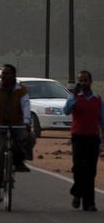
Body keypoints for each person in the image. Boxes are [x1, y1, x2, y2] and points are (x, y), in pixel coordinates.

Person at [0, 64, 32, 203]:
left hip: (17, 125)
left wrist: (27, 121)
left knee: (30, 138)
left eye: (7, 74)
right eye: (2, 74)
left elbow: (26, 105)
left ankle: (20, 161)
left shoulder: (21, 90)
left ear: (14, 76)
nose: (3, 76)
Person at [63, 70, 104, 211]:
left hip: (93, 138)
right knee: (78, 167)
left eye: (85, 80)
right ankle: (77, 193)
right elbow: (66, 111)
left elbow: (102, 120)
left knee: (91, 171)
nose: (83, 83)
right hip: (78, 137)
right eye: (80, 80)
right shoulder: (73, 98)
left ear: (90, 81)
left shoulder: (97, 99)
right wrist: (74, 97)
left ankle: (89, 202)